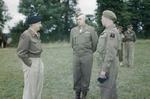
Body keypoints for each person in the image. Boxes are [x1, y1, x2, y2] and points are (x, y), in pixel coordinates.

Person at [70, 13, 98, 99]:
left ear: (84, 19)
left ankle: (84, 93)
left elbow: (95, 43)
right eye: (77, 19)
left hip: (87, 56)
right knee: (76, 74)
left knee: (86, 75)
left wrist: (89, 52)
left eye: (80, 19)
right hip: (76, 56)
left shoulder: (91, 29)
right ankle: (77, 93)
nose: (78, 21)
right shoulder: (73, 30)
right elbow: (72, 44)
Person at [17, 15, 44, 99]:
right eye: (39, 23)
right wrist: (30, 63)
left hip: (39, 61)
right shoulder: (26, 34)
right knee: (30, 89)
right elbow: (21, 52)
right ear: (33, 24)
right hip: (31, 63)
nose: (41, 25)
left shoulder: (37, 34)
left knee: (38, 87)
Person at [96, 10, 120, 99]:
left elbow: (110, 53)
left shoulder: (111, 32)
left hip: (109, 66)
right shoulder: (108, 31)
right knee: (111, 90)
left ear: (107, 19)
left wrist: (104, 70)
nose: (101, 19)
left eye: (102, 18)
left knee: (106, 91)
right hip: (108, 65)